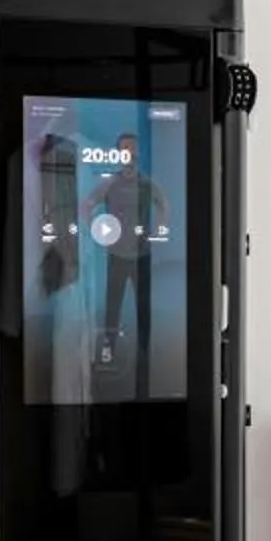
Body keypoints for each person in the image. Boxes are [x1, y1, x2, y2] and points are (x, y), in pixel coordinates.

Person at [79, 131, 168, 384]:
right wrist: (94, 229)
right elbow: (87, 205)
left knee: (143, 307)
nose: (130, 153)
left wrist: (158, 228)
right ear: (118, 153)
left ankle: (145, 354)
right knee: (113, 309)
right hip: (117, 256)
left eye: (133, 148)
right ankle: (108, 353)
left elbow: (163, 203)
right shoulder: (110, 183)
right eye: (125, 149)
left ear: (137, 153)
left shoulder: (146, 183)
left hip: (142, 256)